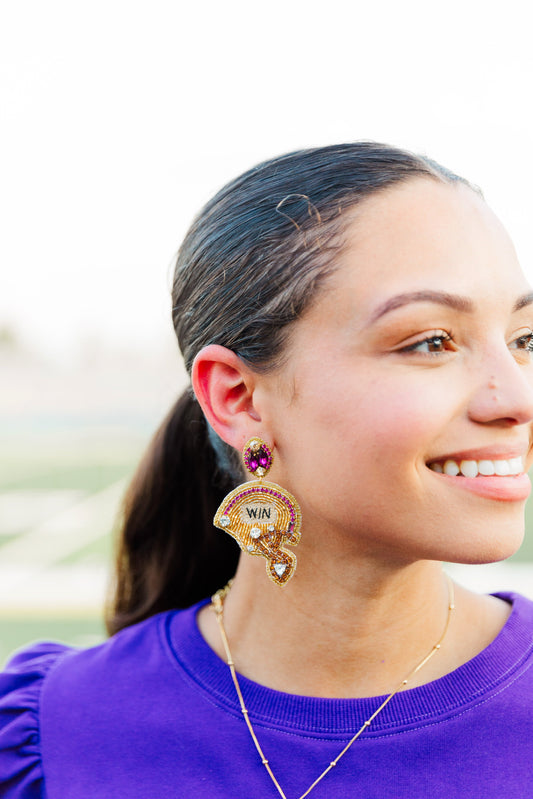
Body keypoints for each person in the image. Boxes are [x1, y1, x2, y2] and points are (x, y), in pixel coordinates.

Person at [1, 142, 533, 798]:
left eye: (522, 340)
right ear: (238, 398)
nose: (515, 398)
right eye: (430, 341)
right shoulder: (50, 738)